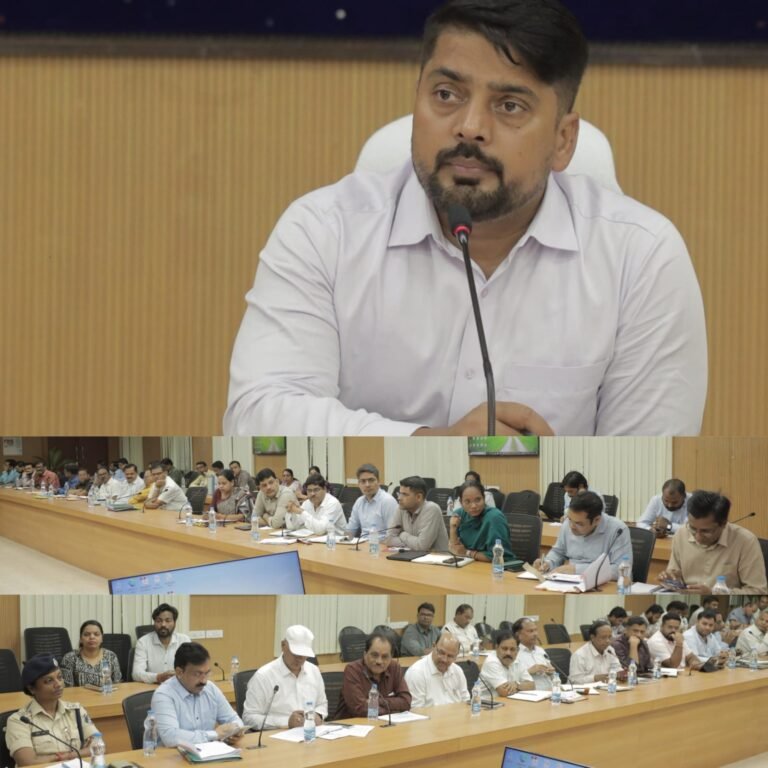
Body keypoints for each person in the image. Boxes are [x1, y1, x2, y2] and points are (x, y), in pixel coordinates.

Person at [225, 0, 707, 437]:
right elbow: (257, 414)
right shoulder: (323, 231)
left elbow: (654, 462)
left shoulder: (640, 258)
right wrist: (430, 445)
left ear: (563, 140)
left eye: (509, 106)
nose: (470, 127)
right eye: (446, 94)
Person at [658, 490, 768, 594]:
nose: (698, 537)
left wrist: (713, 593)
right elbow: (674, 573)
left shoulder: (746, 541)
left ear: (723, 524)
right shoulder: (681, 534)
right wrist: (671, 579)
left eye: (706, 531)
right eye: (693, 528)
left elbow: (758, 591)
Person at [6, 655, 99, 766]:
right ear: (31, 688)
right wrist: (75, 754)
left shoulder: (76, 711)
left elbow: (98, 746)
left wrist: (69, 756)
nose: (58, 684)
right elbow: (27, 762)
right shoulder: (19, 721)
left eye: (60, 677)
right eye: (49, 681)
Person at [152, 642, 243, 747]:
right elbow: (170, 737)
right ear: (179, 672)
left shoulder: (210, 688)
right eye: (197, 674)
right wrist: (214, 734)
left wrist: (235, 731)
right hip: (172, 754)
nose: (204, 681)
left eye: (207, 673)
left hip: (208, 752)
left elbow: (234, 719)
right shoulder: (163, 695)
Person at [242, 625, 327, 729]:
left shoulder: (314, 671)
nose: (299, 659)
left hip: (311, 732)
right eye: (295, 654)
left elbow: (322, 704)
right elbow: (249, 717)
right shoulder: (263, 676)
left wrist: (318, 715)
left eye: (303, 655)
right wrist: (286, 722)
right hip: (278, 734)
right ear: (283, 646)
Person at [534, 491, 631, 580]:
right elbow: (558, 552)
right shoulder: (568, 523)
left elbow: (621, 570)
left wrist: (576, 570)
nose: (571, 526)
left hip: (603, 584)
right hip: (568, 581)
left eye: (579, 524)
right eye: (570, 519)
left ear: (597, 520)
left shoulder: (618, 530)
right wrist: (548, 563)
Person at [334, 633, 411, 718]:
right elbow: (360, 709)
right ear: (365, 654)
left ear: (391, 657)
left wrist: (376, 701)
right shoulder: (352, 670)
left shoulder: (394, 667)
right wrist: (393, 709)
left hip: (384, 723)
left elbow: (406, 702)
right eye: (374, 655)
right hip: (353, 724)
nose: (379, 661)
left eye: (385, 657)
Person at [448, 481, 515, 561]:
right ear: (461, 502)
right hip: (468, 565)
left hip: (494, 566)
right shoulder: (459, 515)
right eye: (467, 501)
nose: (473, 506)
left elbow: (499, 556)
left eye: (478, 500)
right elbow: (455, 550)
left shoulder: (494, 517)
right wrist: (452, 528)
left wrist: (467, 553)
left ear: (484, 498)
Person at [385, 476, 449, 551]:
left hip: (436, 557)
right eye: (400, 493)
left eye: (404, 494)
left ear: (418, 497)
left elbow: (422, 546)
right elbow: (389, 539)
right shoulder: (402, 508)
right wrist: (413, 543)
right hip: (411, 556)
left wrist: (403, 534)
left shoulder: (432, 509)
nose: (399, 498)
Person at [132, 603, 191, 683]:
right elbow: (136, 674)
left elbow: (192, 667)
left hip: (178, 685)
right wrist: (158, 677)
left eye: (168, 620)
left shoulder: (184, 640)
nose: (163, 624)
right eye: (159, 621)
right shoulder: (143, 642)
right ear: (154, 623)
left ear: (174, 622)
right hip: (153, 687)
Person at [405, 634, 469, 707]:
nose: (444, 659)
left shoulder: (457, 671)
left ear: (456, 656)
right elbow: (416, 710)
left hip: (457, 713)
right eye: (441, 653)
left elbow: (466, 702)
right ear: (433, 647)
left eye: (450, 656)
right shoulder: (416, 673)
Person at [60, 620, 122, 688]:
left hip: (106, 694)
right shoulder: (69, 658)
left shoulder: (111, 656)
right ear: (81, 639)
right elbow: (67, 689)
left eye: (96, 634)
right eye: (86, 634)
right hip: (78, 695)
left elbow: (117, 684)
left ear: (102, 638)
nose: (92, 637)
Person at [346, 464, 398, 538]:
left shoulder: (388, 501)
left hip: (381, 544)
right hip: (362, 543)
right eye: (363, 481)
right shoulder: (359, 502)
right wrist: (345, 541)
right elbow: (351, 529)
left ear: (378, 482)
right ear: (359, 484)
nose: (367, 485)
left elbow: (393, 535)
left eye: (371, 480)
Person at [480, 630, 534, 695]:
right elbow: (504, 691)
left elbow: (532, 685)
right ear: (496, 648)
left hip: (509, 700)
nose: (508, 653)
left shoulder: (517, 661)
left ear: (517, 650)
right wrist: (522, 686)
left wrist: (516, 685)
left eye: (512, 649)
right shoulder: (491, 662)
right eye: (504, 649)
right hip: (487, 700)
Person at [513, 618, 555, 690]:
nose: (535, 634)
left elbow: (553, 677)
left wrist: (551, 672)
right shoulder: (514, 653)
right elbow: (511, 680)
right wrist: (529, 671)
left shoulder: (541, 651)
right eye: (530, 631)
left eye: (536, 630)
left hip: (550, 691)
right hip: (532, 693)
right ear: (518, 635)